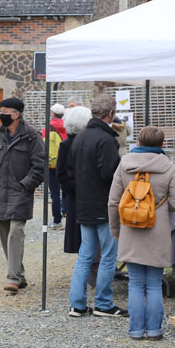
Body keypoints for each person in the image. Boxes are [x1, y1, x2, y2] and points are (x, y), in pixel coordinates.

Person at [107, 126, 175, 340]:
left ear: (139, 143)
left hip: (130, 229)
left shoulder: (125, 164)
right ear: (162, 145)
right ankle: (154, 330)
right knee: (153, 283)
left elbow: (113, 201)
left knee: (135, 283)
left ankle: (135, 330)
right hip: (157, 231)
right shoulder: (169, 167)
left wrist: (115, 229)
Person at [67, 95, 125, 318]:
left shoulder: (80, 138)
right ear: (110, 114)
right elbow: (109, 174)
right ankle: (103, 303)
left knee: (85, 255)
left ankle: (77, 304)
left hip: (83, 204)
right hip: (103, 205)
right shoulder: (106, 140)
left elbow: (71, 175)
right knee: (108, 256)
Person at [0, 97, 44, 293]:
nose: (2, 115)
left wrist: (25, 185)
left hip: (20, 193)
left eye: (5, 111)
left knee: (15, 233)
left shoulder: (32, 136)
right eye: (0, 111)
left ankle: (13, 278)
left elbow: (40, 166)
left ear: (16, 114)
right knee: (4, 235)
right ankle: (20, 274)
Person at [57, 106, 91, 255]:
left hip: (78, 193)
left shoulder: (73, 143)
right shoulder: (67, 145)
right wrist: (71, 188)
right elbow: (61, 172)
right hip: (76, 194)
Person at [42, 103, 68, 230]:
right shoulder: (68, 125)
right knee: (68, 191)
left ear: (52, 114)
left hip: (52, 164)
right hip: (67, 163)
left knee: (55, 194)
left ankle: (57, 220)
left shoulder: (48, 127)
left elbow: (42, 143)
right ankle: (68, 213)